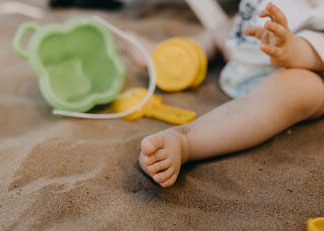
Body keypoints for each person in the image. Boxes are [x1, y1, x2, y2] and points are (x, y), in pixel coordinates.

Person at [137, 1, 324, 187]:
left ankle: (186, 141)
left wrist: (293, 50)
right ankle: (172, 54)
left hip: (298, 71)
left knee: (299, 88)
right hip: (246, 47)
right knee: (219, 32)